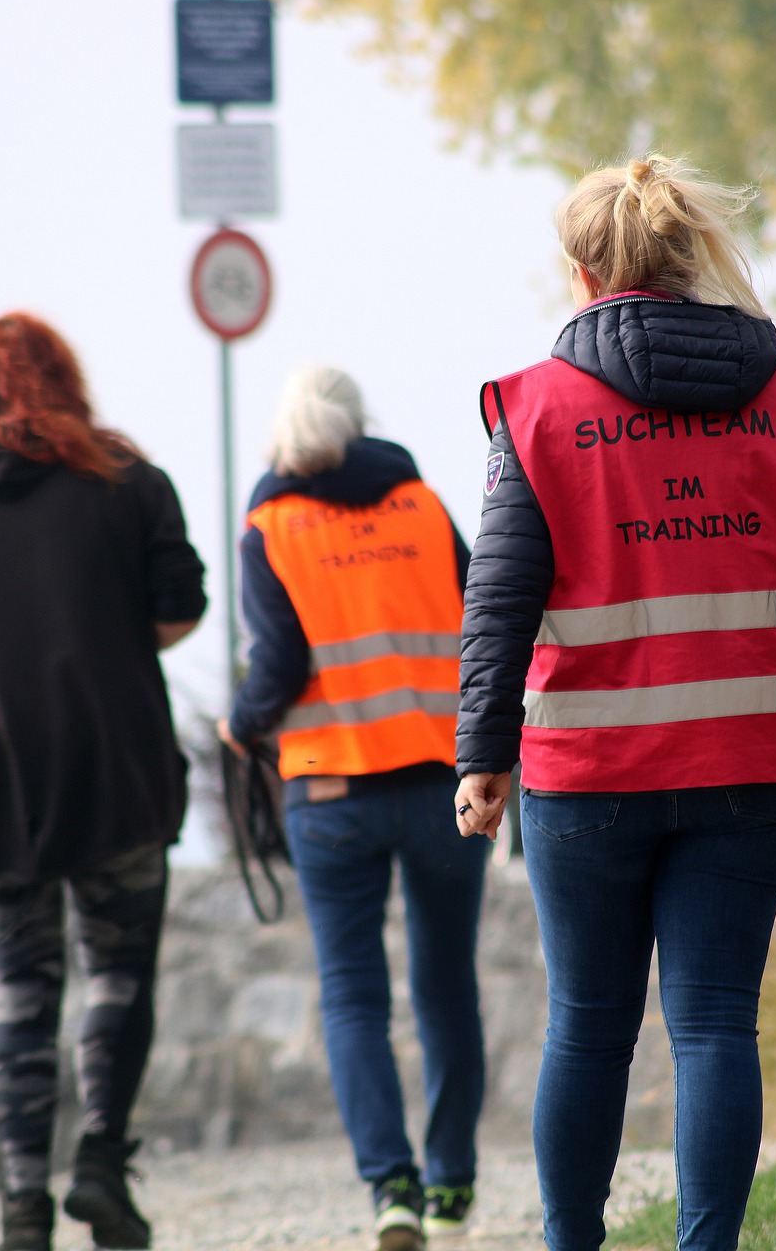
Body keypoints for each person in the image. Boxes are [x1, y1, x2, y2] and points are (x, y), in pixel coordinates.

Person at [455, 154, 776, 1251]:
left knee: (589, 1028)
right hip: (753, 763)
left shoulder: (538, 409)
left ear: (580, 271)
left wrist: (482, 753)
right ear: (682, 258)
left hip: (594, 776)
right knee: (714, 1025)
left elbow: (501, 594)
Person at [0, 313, 206, 1251]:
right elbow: (180, 611)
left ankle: (22, 1206)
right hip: (112, 763)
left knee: (19, 990)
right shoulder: (129, 481)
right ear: (68, 377)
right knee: (116, 972)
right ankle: (100, 1163)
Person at [216, 365, 485, 1251]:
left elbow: (280, 665)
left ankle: (392, 1191)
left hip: (329, 789)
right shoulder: (421, 506)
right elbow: (484, 617)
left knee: (353, 997)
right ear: (360, 425)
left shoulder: (271, 526)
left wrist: (240, 722)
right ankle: (451, 1182)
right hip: (442, 781)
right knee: (446, 985)